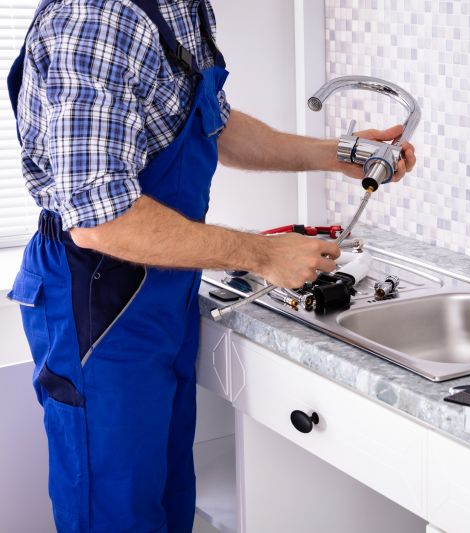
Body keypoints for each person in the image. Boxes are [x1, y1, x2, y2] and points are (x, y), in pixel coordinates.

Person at [5, 0, 416, 531]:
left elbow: (210, 126)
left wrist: (339, 153)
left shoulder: (179, 8)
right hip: (97, 300)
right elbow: (99, 218)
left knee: (167, 500)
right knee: (115, 511)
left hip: (160, 290)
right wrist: (263, 255)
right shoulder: (98, 18)